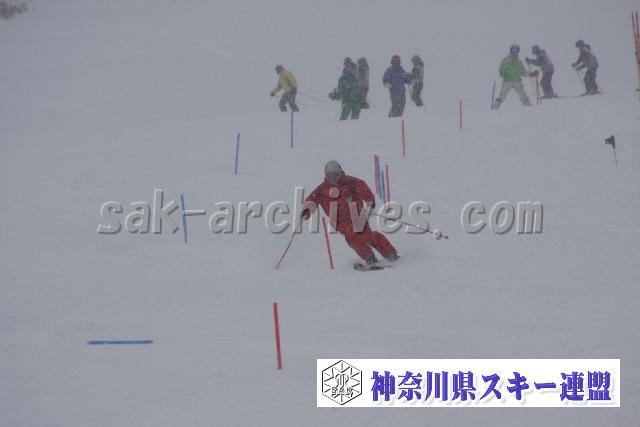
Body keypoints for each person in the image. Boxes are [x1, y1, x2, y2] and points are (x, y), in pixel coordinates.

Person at [301, 161, 399, 266]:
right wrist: (306, 212)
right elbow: (312, 201)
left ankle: (390, 253)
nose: (333, 177)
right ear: (326, 174)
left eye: (335, 174)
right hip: (340, 222)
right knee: (352, 237)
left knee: (368, 235)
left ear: (339, 172)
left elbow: (365, 190)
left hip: (358, 217)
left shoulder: (351, 182)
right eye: (330, 174)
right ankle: (369, 257)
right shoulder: (322, 190)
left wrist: (370, 205)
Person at [493, 44, 537, 109]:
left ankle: (529, 108)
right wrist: (503, 73)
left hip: (517, 81)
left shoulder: (519, 62)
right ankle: (495, 108)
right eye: (514, 50)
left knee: (523, 95)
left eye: (516, 50)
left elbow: (523, 72)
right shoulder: (505, 60)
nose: (515, 52)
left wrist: (532, 74)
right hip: (507, 81)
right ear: (511, 50)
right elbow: (501, 70)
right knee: (502, 95)